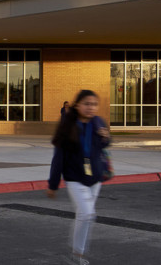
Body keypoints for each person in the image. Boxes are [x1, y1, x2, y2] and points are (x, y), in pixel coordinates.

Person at [47, 89, 111, 265]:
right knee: (87, 214)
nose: (91, 108)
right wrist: (53, 184)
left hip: (95, 178)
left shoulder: (98, 122)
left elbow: (104, 145)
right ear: (77, 105)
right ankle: (78, 255)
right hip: (74, 178)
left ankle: (76, 253)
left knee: (85, 215)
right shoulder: (68, 126)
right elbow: (58, 158)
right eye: (87, 104)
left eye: (94, 104)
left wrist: (106, 138)